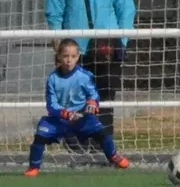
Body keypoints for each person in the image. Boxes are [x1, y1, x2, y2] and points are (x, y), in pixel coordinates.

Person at [45, 0, 136, 148]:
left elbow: (127, 11)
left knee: (104, 101)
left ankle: (103, 148)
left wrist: (122, 42)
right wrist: (59, 46)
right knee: (74, 100)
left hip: (107, 50)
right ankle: (76, 148)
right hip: (76, 52)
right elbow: (54, 12)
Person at [25, 39, 129, 177]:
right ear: (59, 56)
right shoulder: (52, 79)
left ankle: (113, 156)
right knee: (40, 136)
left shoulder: (85, 76)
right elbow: (51, 105)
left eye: (73, 56)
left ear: (78, 57)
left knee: (102, 133)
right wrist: (65, 114)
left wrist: (92, 103)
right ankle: (33, 167)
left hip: (81, 118)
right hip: (60, 119)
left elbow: (93, 95)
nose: (69, 60)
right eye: (65, 56)